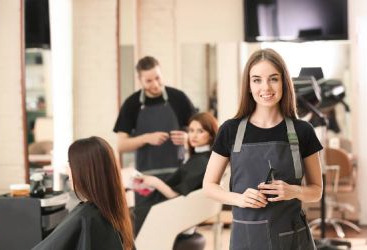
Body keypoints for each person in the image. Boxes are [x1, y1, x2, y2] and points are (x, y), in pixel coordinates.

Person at [203, 48, 323, 250]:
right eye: (257, 80)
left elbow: (317, 191)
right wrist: (239, 199)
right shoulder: (230, 130)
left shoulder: (303, 131)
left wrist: (293, 190)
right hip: (247, 239)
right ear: (248, 85)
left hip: (291, 239)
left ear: (284, 82)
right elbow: (209, 185)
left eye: (273, 79)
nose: (265, 87)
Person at [32, 136, 134, 250]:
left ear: (85, 172)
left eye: (70, 165)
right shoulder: (117, 213)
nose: (67, 171)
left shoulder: (85, 218)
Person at [113, 56, 196, 190]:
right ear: (140, 80)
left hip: (177, 175)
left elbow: (203, 132)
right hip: (145, 180)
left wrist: (188, 138)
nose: (155, 84)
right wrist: (146, 138)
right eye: (149, 81)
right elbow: (121, 146)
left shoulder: (179, 98)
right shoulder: (131, 104)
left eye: (157, 78)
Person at [131, 112, 218, 236]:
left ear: (211, 135)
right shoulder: (198, 158)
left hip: (167, 212)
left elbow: (175, 196)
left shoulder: (202, 162)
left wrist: (155, 181)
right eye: (191, 130)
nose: (194, 135)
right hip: (164, 209)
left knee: (123, 217)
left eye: (200, 131)